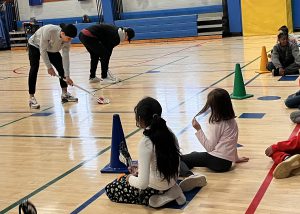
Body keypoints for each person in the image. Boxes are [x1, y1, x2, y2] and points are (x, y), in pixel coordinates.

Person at [105, 97, 187, 207]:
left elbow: (142, 184)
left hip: (156, 186)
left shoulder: (145, 142)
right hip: (172, 179)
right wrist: (140, 170)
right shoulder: (169, 132)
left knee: (111, 189)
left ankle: (162, 196)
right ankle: (172, 189)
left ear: (141, 119)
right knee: (140, 176)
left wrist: (130, 178)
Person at [180, 88, 249, 177]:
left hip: (216, 161)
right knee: (193, 156)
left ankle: (188, 175)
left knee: (181, 159)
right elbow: (233, 142)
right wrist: (236, 158)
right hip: (227, 163)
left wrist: (198, 129)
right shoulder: (232, 121)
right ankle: (185, 170)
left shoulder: (217, 123)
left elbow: (209, 148)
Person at [28, 23, 78, 109]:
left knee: (61, 68)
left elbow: (65, 58)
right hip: (35, 45)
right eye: (68, 38)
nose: (69, 40)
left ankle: (64, 94)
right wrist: (49, 67)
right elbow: (43, 50)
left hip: (50, 48)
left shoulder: (67, 41)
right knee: (34, 68)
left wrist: (67, 76)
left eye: (71, 39)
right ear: (62, 34)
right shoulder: (49, 31)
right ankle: (31, 98)